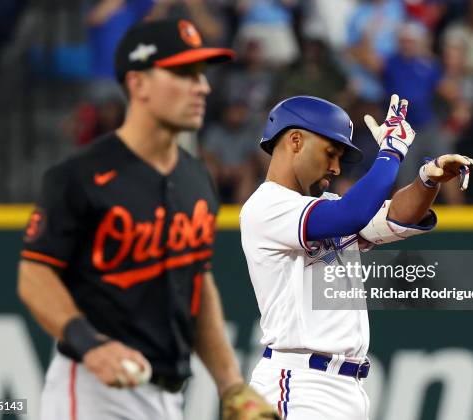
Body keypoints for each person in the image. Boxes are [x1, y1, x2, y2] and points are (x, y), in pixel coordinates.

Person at [17, 18, 278, 420]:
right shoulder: (82, 175)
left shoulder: (195, 178)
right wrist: (92, 345)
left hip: (169, 398)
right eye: (184, 73)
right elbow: (35, 275)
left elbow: (198, 282)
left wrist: (230, 385)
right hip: (95, 391)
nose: (203, 87)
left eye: (202, 75)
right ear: (138, 84)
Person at [240, 94, 473, 419]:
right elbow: (350, 215)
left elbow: (397, 217)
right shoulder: (265, 206)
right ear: (295, 140)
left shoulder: (323, 206)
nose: (336, 167)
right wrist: (391, 152)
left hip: (343, 388)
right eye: (330, 153)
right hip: (297, 384)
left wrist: (427, 179)